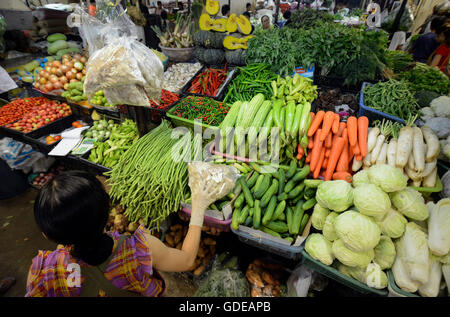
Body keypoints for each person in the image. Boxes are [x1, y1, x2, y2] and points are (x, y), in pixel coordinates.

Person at [25, 171, 209, 297]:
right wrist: (199, 207)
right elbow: (186, 260)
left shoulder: (42, 271)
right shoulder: (140, 249)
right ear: (108, 213)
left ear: (46, 235)